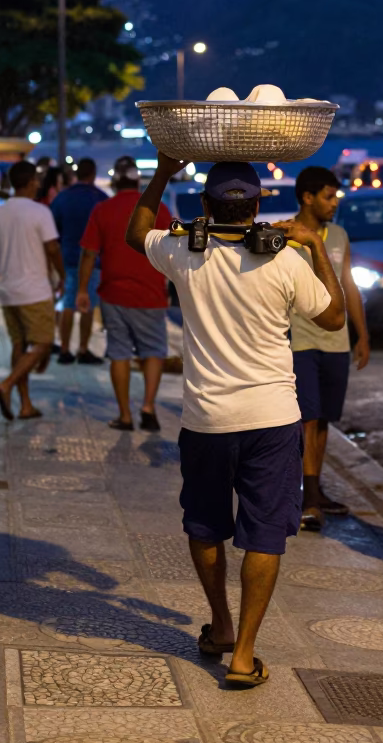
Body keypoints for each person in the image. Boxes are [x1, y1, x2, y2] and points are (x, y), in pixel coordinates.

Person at [127, 156, 345, 687]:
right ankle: (244, 655)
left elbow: (137, 232)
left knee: (204, 524)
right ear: (257, 209)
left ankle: (220, 623)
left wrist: (162, 172)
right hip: (273, 420)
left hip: (206, 419)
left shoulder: (182, 251)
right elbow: (335, 317)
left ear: (205, 207)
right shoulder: (289, 260)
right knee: (265, 532)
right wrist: (315, 247)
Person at [289, 166, 370, 531]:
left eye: (335, 196)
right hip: (301, 340)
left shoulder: (338, 235)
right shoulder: (287, 236)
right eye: (328, 196)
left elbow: (348, 285)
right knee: (307, 416)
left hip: (336, 341)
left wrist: (362, 335)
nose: (334, 203)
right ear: (307, 197)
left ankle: (315, 489)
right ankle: (307, 497)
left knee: (323, 420)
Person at [77, 156, 171, 429]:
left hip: (113, 292)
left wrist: (82, 289)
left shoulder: (103, 209)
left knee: (119, 353)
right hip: (151, 293)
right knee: (154, 350)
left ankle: (125, 415)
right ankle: (148, 406)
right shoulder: (160, 209)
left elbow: (88, 253)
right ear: (138, 180)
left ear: (116, 180)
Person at [0, 160, 65, 421]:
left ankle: (25, 404)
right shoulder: (40, 212)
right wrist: (62, 276)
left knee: (19, 345)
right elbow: (52, 249)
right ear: (31, 182)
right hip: (34, 290)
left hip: (8, 290)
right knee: (43, 343)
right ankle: (6, 385)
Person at [50, 157, 107, 363]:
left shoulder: (63, 198)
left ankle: (64, 348)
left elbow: (52, 228)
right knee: (88, 305)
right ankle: (82, 348)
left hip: (67, 257)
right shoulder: (100, 198)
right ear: (92, 174)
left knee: (68, 303)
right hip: (93, 260)